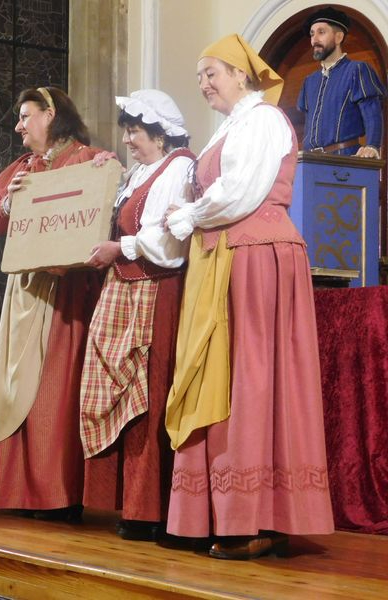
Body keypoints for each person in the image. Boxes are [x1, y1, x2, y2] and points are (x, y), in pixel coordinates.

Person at [164, 34, 334, 559]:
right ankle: (225, 511)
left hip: (258, 257)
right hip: (226, 258)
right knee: (228, 374)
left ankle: (258, 514)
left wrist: (188, 216)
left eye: (211, 73)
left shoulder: (263, 120)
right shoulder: (231, 127)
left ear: (242, 74)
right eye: (199, 76)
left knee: (252, 376)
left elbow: (241, 190)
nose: (204, 84)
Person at [0, 86, 104, 521]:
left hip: (68, 292)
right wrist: (11, 200)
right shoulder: (21, 167)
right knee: (17, 390)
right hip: (25, 290)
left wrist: (112, 173)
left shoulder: (89, 159)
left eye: (26, 116)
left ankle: (58, 493)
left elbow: (107, 205)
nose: (19, 126)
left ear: (51, 114)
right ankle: (17, 488)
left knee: (56, 389)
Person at [80, 90, 193, 540]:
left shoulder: (179, 167)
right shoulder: (141, 171)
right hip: (122, 286)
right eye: (127, 130)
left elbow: (168, 244)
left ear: (160, 133)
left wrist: (120, 247)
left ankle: (152, 508)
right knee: (112, 384)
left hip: (154, 288)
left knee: (146, 391)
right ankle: (129, 502)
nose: (128, 138)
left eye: (136, 131)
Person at [297, 6, 386, 157]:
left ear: (338, 37)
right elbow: (307, 126)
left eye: (321, 32)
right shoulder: (309, 81)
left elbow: (372, 112)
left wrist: (372, 145)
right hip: (310, 163)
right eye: (312, 34)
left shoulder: (357, 69)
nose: (314, 40)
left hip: (344, 159)